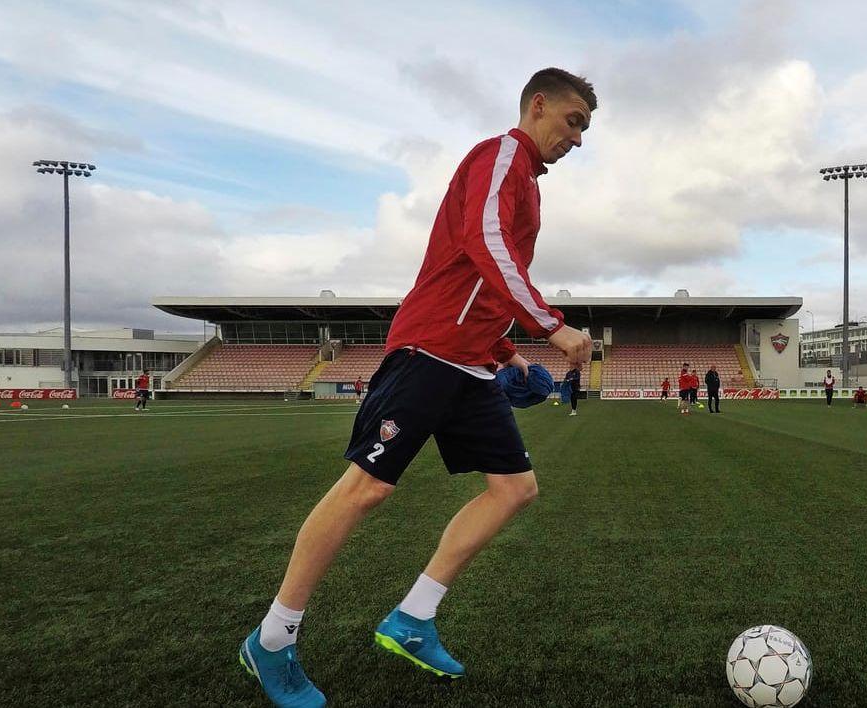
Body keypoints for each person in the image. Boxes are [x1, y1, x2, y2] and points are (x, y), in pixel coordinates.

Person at [238, 68, 597, 708]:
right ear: (538, 105)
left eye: (585, 130)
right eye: (573, 122)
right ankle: (271, 638)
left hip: (472, 360)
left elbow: (479, 279)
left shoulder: (530, 186)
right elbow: (484, 244)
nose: (578, 139)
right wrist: (550, 325)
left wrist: (507, 352)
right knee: (366, 488)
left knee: (516, 488)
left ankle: (412, 618)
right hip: (429, 349)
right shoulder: (501, 156)